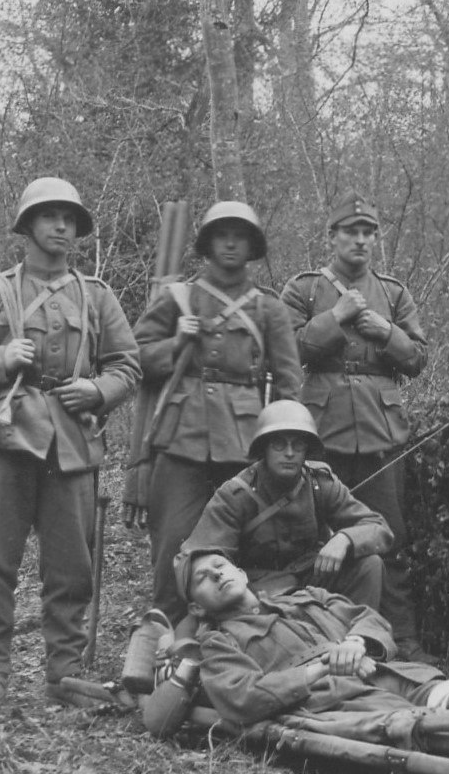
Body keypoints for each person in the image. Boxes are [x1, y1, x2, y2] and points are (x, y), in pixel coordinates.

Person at [0, 177, 141, 707]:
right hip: (4, 438)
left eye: (70, 219)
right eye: (50, 217)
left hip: (72, 442)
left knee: (71, 567)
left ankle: (63, 674)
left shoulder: (96, 295)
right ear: (27, 226)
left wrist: (96, 389)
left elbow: (127, 365)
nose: (62, 227)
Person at [175, 550, 449, 771]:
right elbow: (243, 698)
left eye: (221, 566)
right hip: (335, 700)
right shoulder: (218, 643)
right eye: (203, 578)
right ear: (195, 605)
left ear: (240, 572)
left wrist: (356, 641)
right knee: (413, 720)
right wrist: (322, 667)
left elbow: (368, 618)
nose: (217, 575)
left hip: (383, 671)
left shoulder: (309, 596)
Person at [132, 201, 303, 626]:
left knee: (245, 541)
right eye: (221, 235)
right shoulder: (179, 297)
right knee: (173, 540)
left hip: (244, 441)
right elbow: (132, 359)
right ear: (207, 244)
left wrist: (285, 442)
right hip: (182, 435)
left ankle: (237, 635)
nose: (230, 243)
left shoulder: (268, 308)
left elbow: (288, 384)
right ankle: (165, 635)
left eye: (240, 236)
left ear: (252, 246)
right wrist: (174, 344)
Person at [280, 194, 428, 659]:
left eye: (368, 233)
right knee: (318, 537)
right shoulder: (303, 290)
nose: (361, 240)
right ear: (332, 237)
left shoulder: (393, 293)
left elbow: (419, 359)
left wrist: (387, 332)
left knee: (391, 537)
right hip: (322, 433)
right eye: (351, 232)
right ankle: (321, 636)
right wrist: (335, 318)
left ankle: (401, 639)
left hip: (382, 431)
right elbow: (285, 351)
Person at [177, 400, 393, 609]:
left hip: (314, 578)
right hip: (257, 592)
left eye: (297, 445)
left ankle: (359, 638)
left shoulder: (320, 484)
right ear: (264, 449)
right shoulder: (235, 495)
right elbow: (195, 557)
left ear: (306, 451)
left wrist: (345, 538)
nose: (289, 453)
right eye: (279, 444)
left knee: (369, 565)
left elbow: (378, 527)